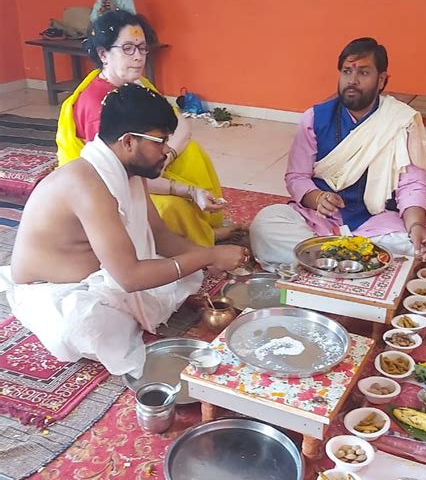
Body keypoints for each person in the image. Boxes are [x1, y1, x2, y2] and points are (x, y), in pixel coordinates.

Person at [1, 85, 247, 377]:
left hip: (103, 274)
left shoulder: (128, 171)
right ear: (128, 141)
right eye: (160, 141)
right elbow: (130, 278)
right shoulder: (86, 184)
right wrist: (209, 255)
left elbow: (159, 235)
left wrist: (209, 258)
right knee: (92, 327)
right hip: (53, 292)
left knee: (182, 272)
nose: (168, 151)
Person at [250, 37, 426, 268]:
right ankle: (356, 264)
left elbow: (412, 185)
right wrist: (318, 198)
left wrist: (416, 226)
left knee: (409, 244)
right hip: (318, 221)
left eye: (364, 73)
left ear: (381, 80)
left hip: (375, 224)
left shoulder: (401, 121)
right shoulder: (315, 117)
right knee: (266, 223)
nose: (353, 80)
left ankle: (324, 263)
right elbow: (296, 177)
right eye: (346, 71)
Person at [56, 11, 235, 247]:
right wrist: (187, 189)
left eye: (142, 48)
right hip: (111, 187)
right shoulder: (97, 104)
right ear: (103, 54)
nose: (139, 57)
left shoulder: (137, 85)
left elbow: (180, 124)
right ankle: (198, 242)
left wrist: (165, 156)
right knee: (172, 208)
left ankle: (203, 230)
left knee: (191, 152)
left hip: (145, 170)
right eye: (128, 48)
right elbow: (120, 174)